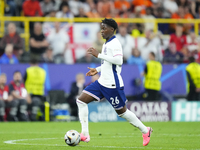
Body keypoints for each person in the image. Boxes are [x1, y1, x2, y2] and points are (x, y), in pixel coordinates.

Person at [76, 18, 152, 146]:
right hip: (101, 82)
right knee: (81, 101)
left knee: (123, 113)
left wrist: (98, 55)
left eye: (104, 28)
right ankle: (85, 134)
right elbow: (108, 63)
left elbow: (119, 61)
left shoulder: (115, 43)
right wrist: (97, 69)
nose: (102, 31)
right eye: (101, 28)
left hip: (112, 85)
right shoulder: (106, 43)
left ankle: (145, 130)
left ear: (111, 29)